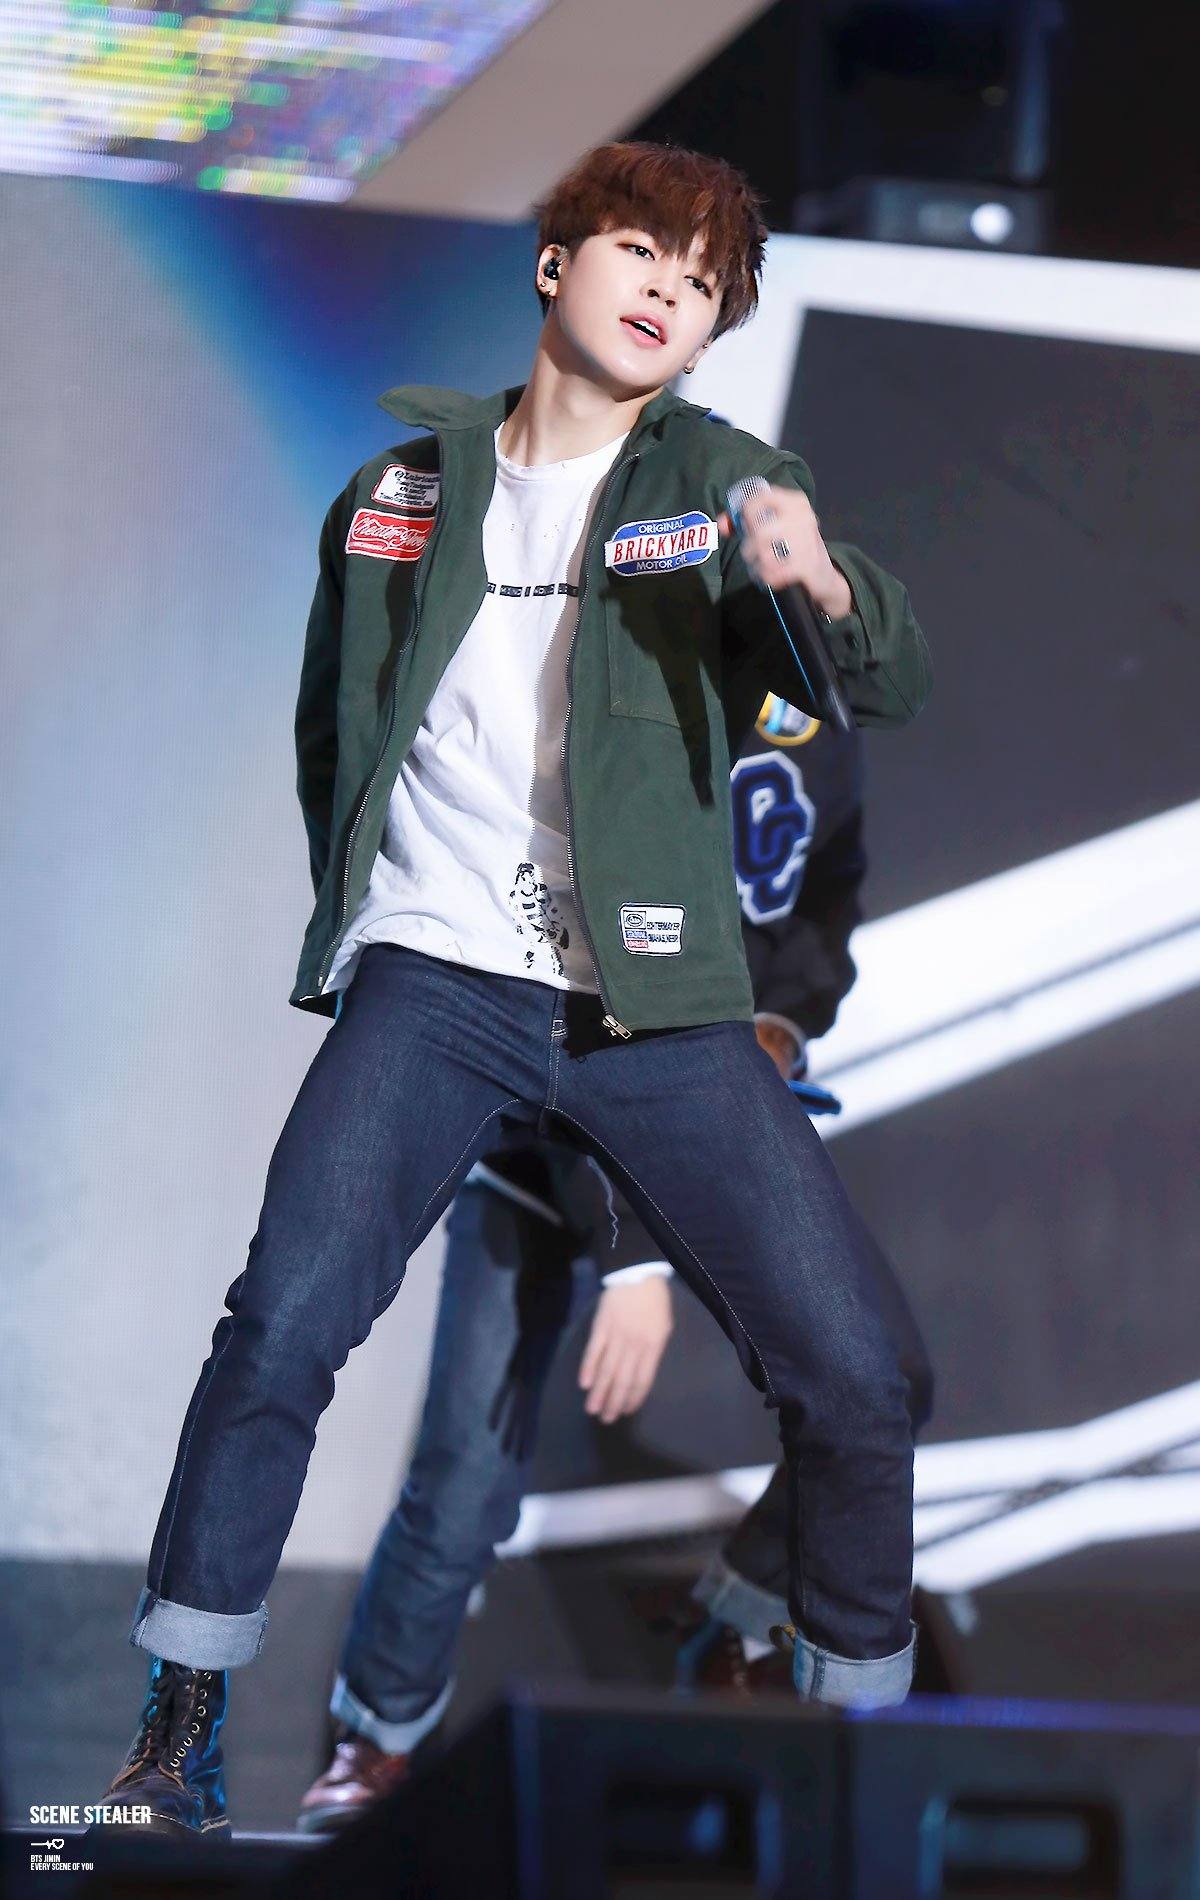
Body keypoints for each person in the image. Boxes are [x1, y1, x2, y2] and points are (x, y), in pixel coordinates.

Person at [97, 140, 932, 1839]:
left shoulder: (725, 485)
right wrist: (377, 912)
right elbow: (337, 733)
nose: (669, 292)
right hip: (438, 983)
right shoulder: (400, 496)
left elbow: (881, 680)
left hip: (653, 1005)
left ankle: (863, 1768)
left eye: (702, 285)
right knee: (280, 1329)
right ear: (557, 264)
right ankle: (176, 1733)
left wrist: (819, 580)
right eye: (642, 253)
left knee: (858, 1378)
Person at [297, 710, 935, 1833]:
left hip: (708, 1112)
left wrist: (782, 1022)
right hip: (540, 1110)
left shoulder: (817, 683)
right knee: (468, 1470)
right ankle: (377, 1741)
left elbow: (824, 889)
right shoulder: (635, 663)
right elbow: (600, 932)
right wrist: (633, 1261)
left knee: (878, 1379)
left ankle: (742, 1625)